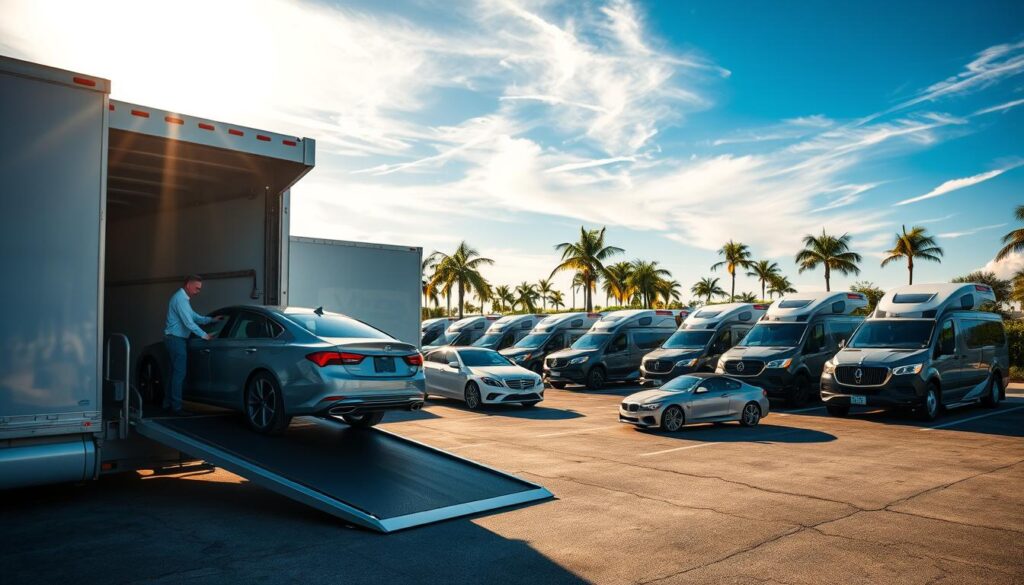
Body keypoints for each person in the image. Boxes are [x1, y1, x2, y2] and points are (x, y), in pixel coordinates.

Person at [163, 275, 221, 415]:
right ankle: (176, 407)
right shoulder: (180, 299)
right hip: (176, 340)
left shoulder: (183, 299)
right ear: (188, 285)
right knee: (179, 374)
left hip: (174, 339)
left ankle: (167, 403)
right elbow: (188, 323)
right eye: (197, 288)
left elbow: (194, 316)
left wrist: (210, 320)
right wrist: (204, 335)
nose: (198, 291)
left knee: (174, 374)